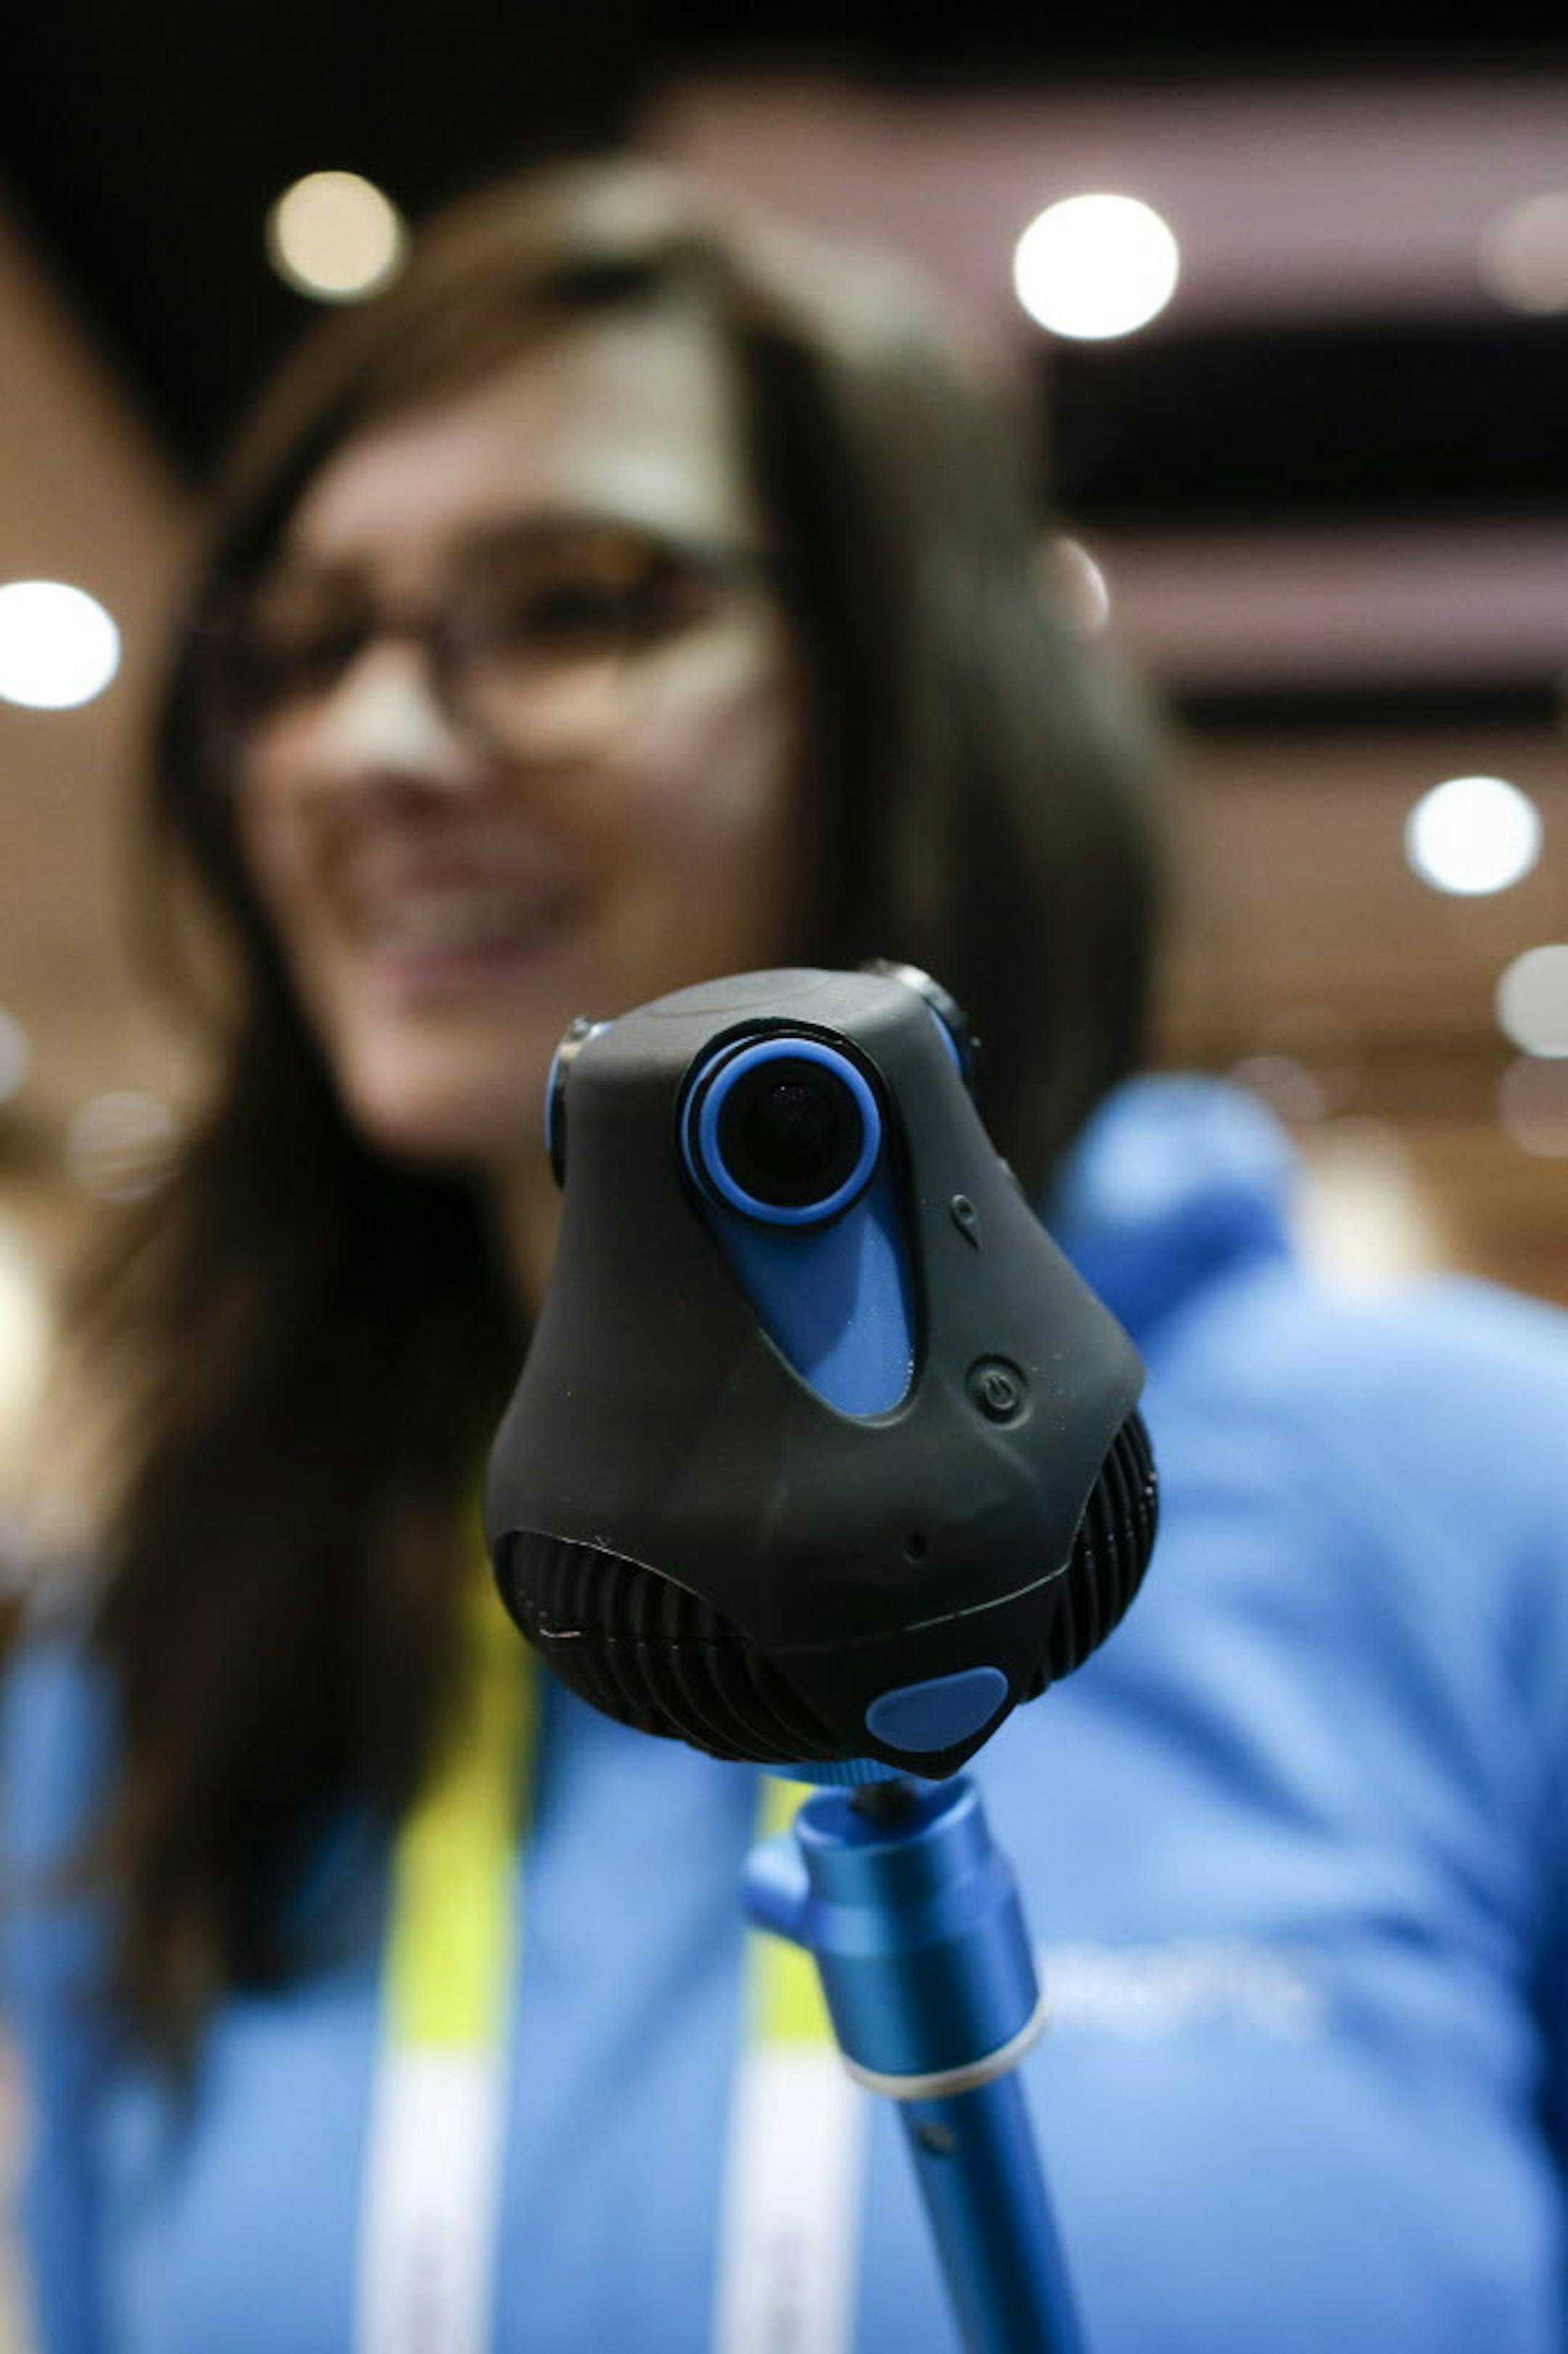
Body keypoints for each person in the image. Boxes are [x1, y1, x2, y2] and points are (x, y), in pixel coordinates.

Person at [4, 154, 1567, 2354]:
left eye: (570, 605)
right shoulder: (179, 1619)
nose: (366, 744)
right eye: (297, 646)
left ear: (912, 681)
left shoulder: (1486, 1498)